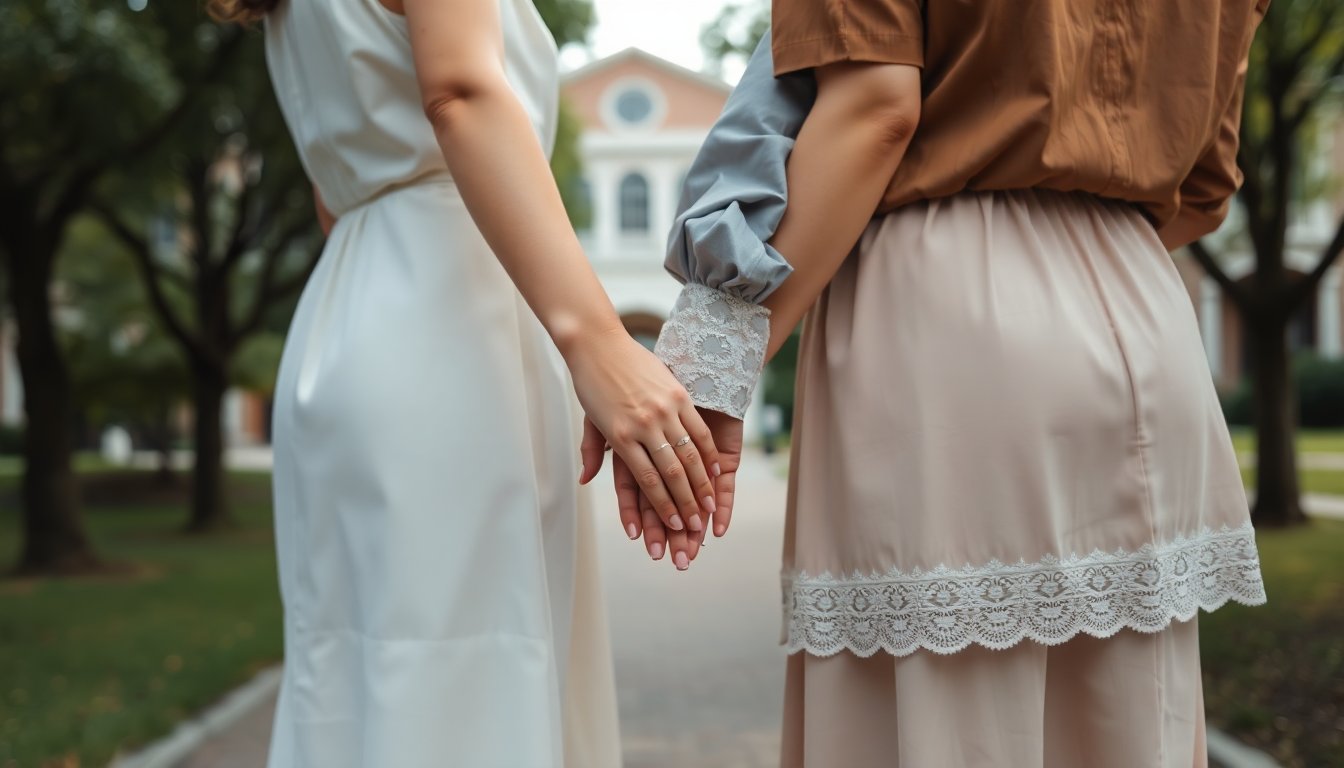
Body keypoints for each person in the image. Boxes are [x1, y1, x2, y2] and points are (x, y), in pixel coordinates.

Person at [630, 1, 1271, 764]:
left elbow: (876, 108)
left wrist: (713, 368)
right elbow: (1206, 186)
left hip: (946, 314)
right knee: (1128, 718)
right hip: (1144, 303)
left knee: (949, 722)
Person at [208, 0, 733, 763]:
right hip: (454, 324)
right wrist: (597, 342)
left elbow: (337, 196)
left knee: (360, 671)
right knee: (470, 671)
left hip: (347, 316)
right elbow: (458, 92)